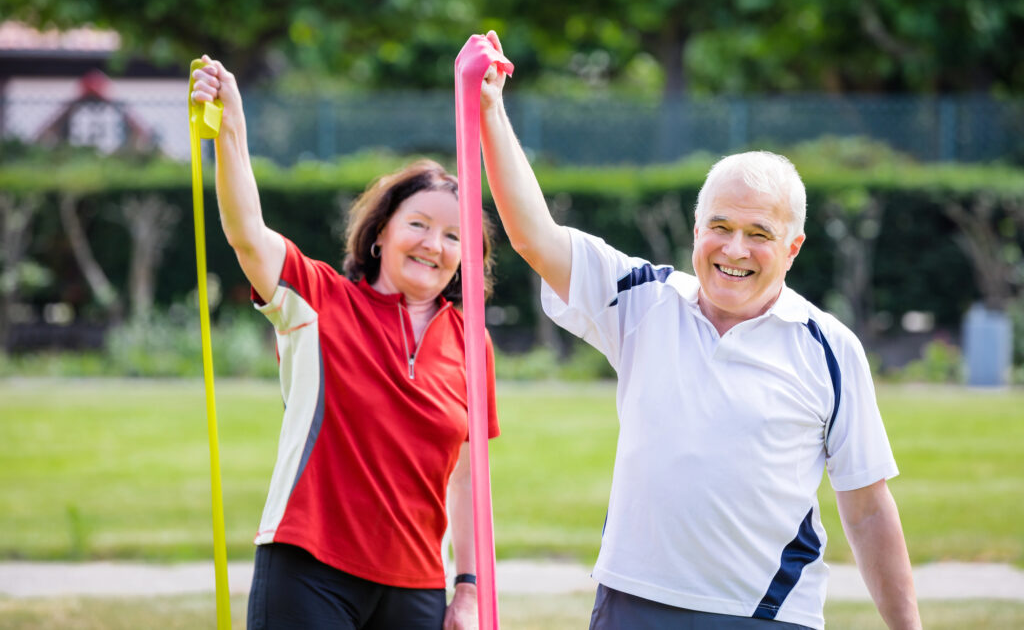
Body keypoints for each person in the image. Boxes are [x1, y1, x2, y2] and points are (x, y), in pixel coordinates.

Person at [476, 32, 921, 630]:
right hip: (631, 603)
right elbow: (534, 235)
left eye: (759, 233)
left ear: (793, 248)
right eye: (720, 226)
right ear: (695, 229)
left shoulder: (830, 348)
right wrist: (490, 110)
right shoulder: (641, 300)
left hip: (764, 615)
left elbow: (867, 510)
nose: (734, 249)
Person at [190, 55, 499, 630]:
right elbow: (247, 235)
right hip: (308, 568)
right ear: (381, 232)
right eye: (418, 224)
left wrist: (468, 588)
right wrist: (231, 127)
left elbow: (466, 476)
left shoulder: (470, 340)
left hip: (417, 588)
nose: (434, 243)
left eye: (454, 235)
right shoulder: (319, 299)